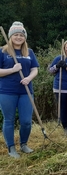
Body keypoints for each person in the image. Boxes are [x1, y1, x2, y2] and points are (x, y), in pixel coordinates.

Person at [0, 21, 39, 158]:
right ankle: (11, 147)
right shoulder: (2, 51)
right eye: (16, 35)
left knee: (26, 121)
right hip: (7, 91)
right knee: (9, 120)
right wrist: (12, 69)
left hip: (26, 91)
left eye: (21, 35)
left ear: (25, 37)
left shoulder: (29, 52)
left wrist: (28, 78)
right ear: (10, 36)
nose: (19, 37)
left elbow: (35, 69)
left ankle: (23, 144)